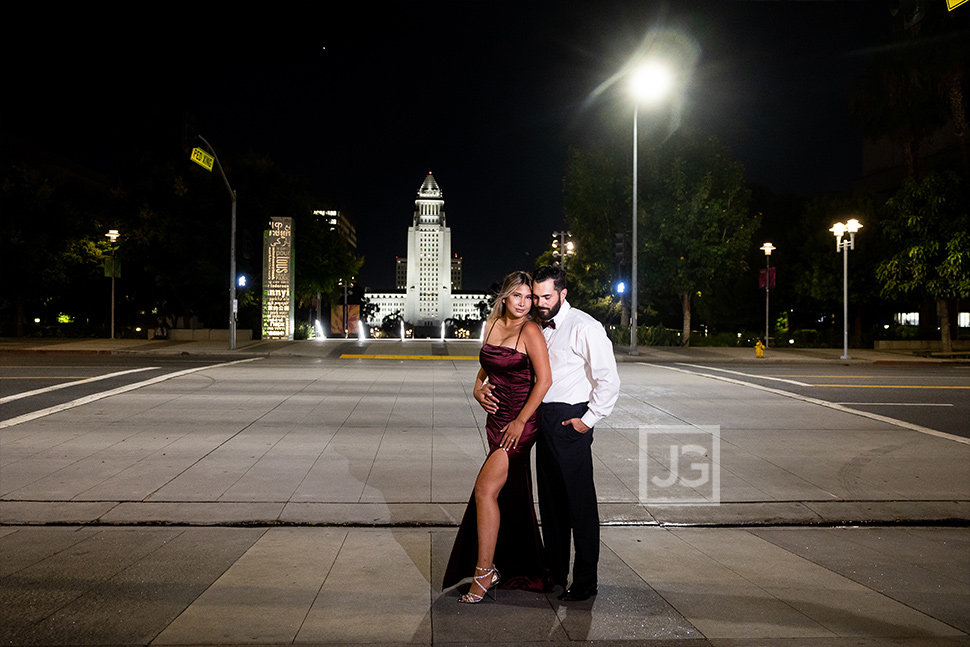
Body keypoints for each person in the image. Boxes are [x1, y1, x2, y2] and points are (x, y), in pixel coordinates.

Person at [442, 271, 553, 603]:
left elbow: (545, 381)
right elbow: (486, 365)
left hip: (520, 424)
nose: (524, 303)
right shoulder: (491, 325)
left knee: (484, 490)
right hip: (496, 421)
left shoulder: (530, 330)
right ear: (504, 297)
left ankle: (484, 572)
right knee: (509, 496)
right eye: (517, 296)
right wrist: (478, 389)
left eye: (529, 297)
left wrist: (520, 421)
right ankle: (516, 564)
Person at [532, 264, 620, 602]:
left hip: (571, 419)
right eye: (537, 296)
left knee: (579, 505)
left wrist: (589, 419)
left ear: (563, 293)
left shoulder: (585, 326)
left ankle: (585, 580)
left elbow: (608, 379)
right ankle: (554, 573)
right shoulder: (537, 327)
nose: (540, 302)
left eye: (547, 296)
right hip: (544, 419)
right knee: (552, 505)